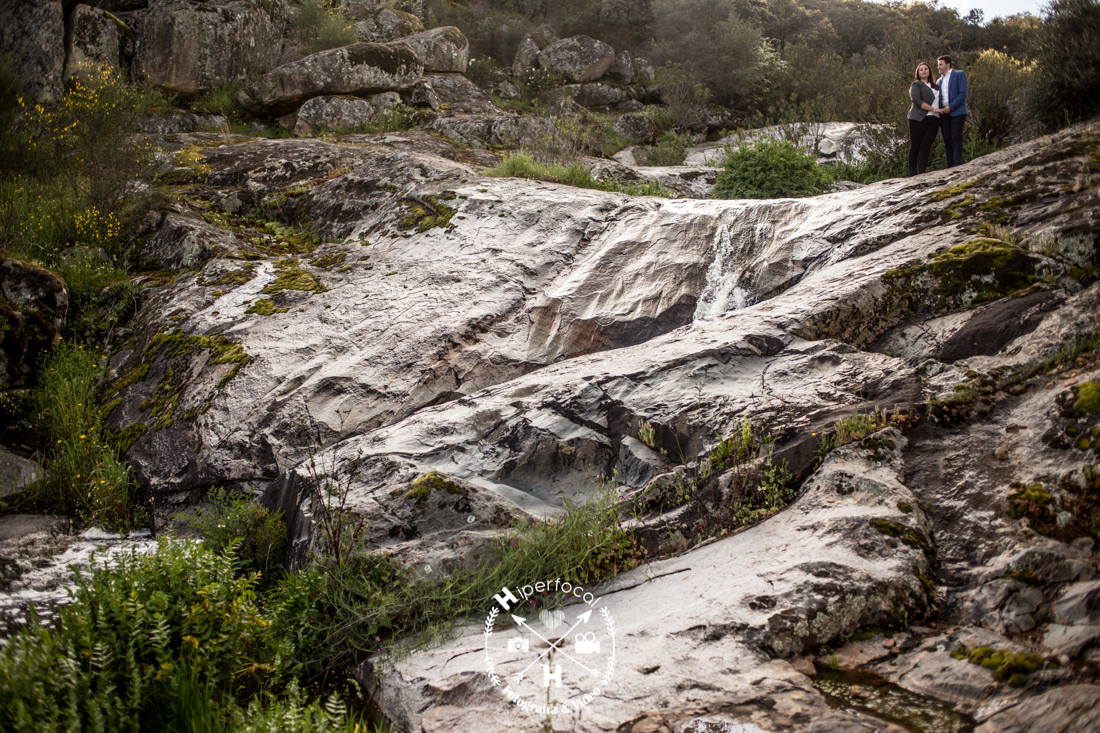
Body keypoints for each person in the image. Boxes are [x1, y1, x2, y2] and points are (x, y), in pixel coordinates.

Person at [908, 62, 940, 176]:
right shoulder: (916, 85)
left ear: (929, 71)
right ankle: (912, 173)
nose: (924, 71)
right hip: (918, 119)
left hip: (934, 120)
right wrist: (933, 109)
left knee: (926, 146)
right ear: (918, 72)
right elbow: (916, 100)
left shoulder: (936, 86)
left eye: (926, 69)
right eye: (921, 69)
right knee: (915, 146)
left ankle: (922, 172)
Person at [936, 55, 968, 168]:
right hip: (944, 113)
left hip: (957, 111)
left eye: (941, 64)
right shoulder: (938, 81)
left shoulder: (959, 74)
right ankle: (949, 165)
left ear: (948, 64)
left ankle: (957, 163)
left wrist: (951, 107)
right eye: (938, 64)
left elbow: (963, 93)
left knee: (955, 136)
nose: (938, 67)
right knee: (947, 139)